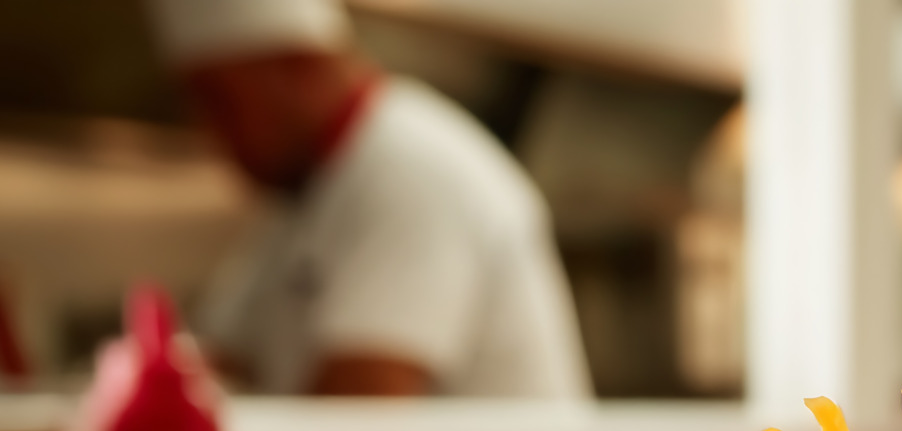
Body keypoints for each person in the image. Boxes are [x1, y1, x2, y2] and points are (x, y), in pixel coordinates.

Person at [149, 0, 591, 398]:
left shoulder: (413, 171)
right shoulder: (302, 194)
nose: (210, 133)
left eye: (219, 101)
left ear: (298, 69)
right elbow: (212, 360)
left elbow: (356, 412)